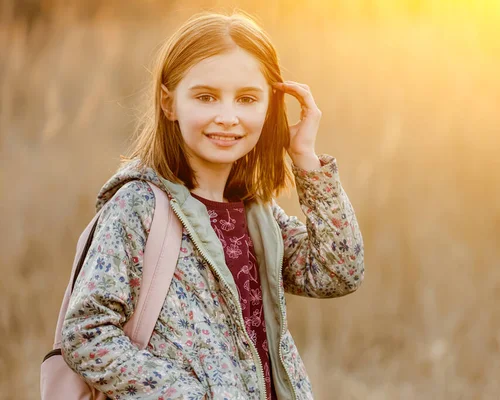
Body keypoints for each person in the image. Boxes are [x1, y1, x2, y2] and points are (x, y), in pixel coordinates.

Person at [61, 10, 365, 400]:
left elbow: (337, 272)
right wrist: (186, 394)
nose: (227, 117)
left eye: (247, 99)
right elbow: (86, 331)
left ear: (270, 107)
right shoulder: (138, 207)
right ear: (169, 104)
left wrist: (304, 156)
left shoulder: (257, 215)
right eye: (206, 97)